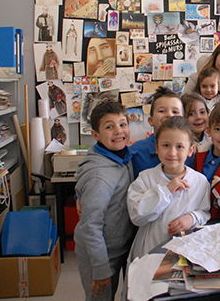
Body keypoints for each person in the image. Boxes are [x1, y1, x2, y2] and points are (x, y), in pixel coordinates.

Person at [74, 101, 134, 301]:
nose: (118, 131)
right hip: (99, 254)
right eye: (109, 127)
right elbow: (90, 226)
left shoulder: (120, 156)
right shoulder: (100, 176)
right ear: (96, 135)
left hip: (117, 246)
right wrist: (100, 268)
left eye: (123, 124)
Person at [127, 117, 210, 260]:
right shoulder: (145, 178)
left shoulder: (200, 181)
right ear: (157, 148)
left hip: (185, 252)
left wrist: (192, 218)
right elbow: (137, 216)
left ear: (191, 149)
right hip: (148, 252)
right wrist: (166, 190)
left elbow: (204, 213)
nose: (172, 153)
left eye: (180, 147)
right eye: (166, 145)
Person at [130, 87, 183, 178]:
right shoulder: (135, 152)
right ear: (150, 121)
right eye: (162, 111)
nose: (169, 115)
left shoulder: (188, 153)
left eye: (175, 111)